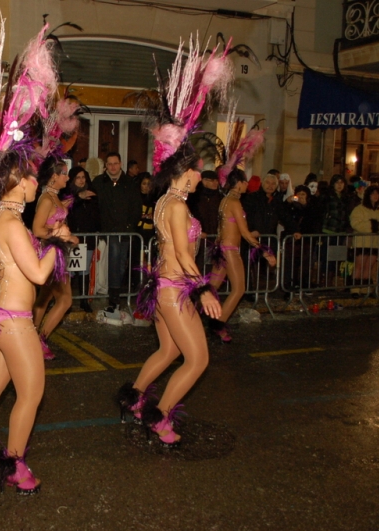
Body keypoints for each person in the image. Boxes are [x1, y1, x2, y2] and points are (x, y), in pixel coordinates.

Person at [0, 10, 78, 495]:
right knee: (31, 394)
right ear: (17, 180)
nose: (35, 183)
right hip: (16, 323)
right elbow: (42, 276)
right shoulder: (13, 221)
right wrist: (55, 242)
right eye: (31, 177)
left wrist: (21, 260)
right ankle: (14, 464)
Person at [118, 37, 228, 447]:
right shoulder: (178, 206)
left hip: (163, 287)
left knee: (167, 352)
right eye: (199, 170)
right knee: (197, 359)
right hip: (176, 288)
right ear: (185, 171)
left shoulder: (167, 199)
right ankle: (157, 417)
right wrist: (203, 290)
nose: (203, 175)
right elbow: (183, 253)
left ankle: (133, 399)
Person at [209, 169, 277, 342]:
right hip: (229, 250)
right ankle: (217, 325)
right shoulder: (234, 202)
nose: (247, 185)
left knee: (211, 288)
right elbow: (245, 233)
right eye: (245, 181)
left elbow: (225, 228)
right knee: (239, 289)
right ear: (238, 183)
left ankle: (188, 315)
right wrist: (264, 251)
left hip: (222, 249)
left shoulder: (225, 201)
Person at [32, 157, 79, 360]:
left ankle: (32, 339)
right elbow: (37, 229)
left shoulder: (53, 197)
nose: (67, 178)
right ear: (54, 176)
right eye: (64, 174)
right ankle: (39, 339)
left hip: (56, 254)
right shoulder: (46, 199)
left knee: (44, 299)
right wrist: (60, 232)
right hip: (49, 254)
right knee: (64, 299)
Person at [90, 152, 142, 313]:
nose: (112, 167)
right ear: (106, 165)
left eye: (115, 163)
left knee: (120, 264)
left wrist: (129, 226)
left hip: (125, 230)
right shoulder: (99, 182)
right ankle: (114, 297)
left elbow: (136, 207)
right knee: (112, 261)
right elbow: (94, 206)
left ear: (120, 164)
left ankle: (115, 294)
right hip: (108, 230)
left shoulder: (130, 183)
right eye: (110, 164)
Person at [66, 166, 99, 313]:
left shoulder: (92, 194)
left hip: (89, 238)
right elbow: (68, 209)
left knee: (84, 271)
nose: (81, 180)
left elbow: (97, 213)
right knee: (72, 271)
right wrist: (79, 197)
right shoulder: (68, 195)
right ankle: (67, 301)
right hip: (74, 239)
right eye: (78, 177)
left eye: (83, 177)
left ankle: (84, 301)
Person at [349, 184, 379, 297]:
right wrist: (374, 225)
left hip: (375, 242)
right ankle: (355, 289)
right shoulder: (359, 209)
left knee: (370, 266)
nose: (376, 196)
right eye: (373, 193)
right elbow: (355, 224)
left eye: (377, 194)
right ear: (368, 195)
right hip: (362, 241)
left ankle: (365, 289)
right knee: (360, 265)